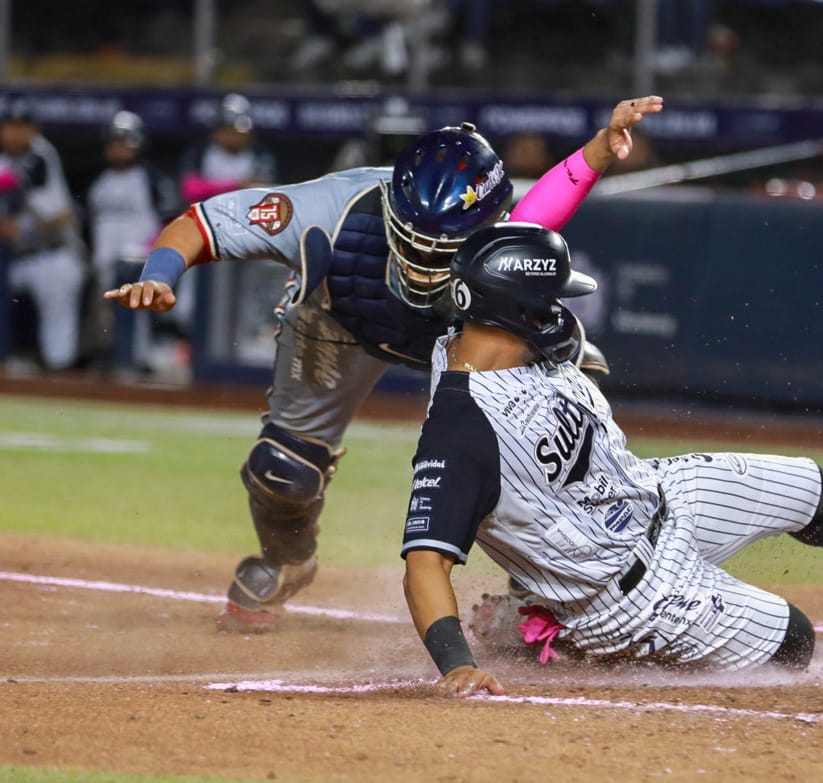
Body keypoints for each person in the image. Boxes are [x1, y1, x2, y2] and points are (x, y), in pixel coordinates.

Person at [104, 95, 665, 633]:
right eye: (414, 239)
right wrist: (159, 274)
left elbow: (558, 191)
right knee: (283, 470)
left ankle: (542, 590)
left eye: (443, 245)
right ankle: (286, 560)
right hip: (342, 323)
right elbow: (201, 223)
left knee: (573, 373)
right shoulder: (329, 207)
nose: (424, 258)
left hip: (465, 334)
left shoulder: (507, 224)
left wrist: (600, 143)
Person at [399, 222, 823, 697]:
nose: (559, 309)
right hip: (623, 591)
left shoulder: (485, 336)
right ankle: (576, 637)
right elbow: (425, 562)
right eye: (548, 299)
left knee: (809, 486)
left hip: (655, 496)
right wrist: (456, 667)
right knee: (793, 641)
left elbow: (502, 263)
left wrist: (594, 158)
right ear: (516, 310)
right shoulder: (462, 430)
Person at [85, 110, 183, 373]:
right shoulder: (97, 181)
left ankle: (136, 364)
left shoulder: (153, 180)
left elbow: (172, 221)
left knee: (137, 311)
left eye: (125, 142)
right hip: (104, 261)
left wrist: (154, 251)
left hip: (141, 261)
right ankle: (112, 361)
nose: (119, 148)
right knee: (105, 316)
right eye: (114, 142)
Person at [0, 97, 87, 371]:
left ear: (34, 130)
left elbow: (63, 216)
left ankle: (57, 375)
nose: (16, 132)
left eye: (23, 126)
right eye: (10, 126)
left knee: (60, 279)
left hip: (50, 254)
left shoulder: (41, 155)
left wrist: (19, 226)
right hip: (11, 259)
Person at [178, 93, 278, 205]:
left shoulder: (260, 154)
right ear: (215, 133)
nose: (232, 136)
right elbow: (190, 190)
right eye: (226, 130)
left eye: (237, 131)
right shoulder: (200, 152)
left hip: (245, 214)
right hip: (206, 214)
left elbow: (265, 194)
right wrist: (236, 185)